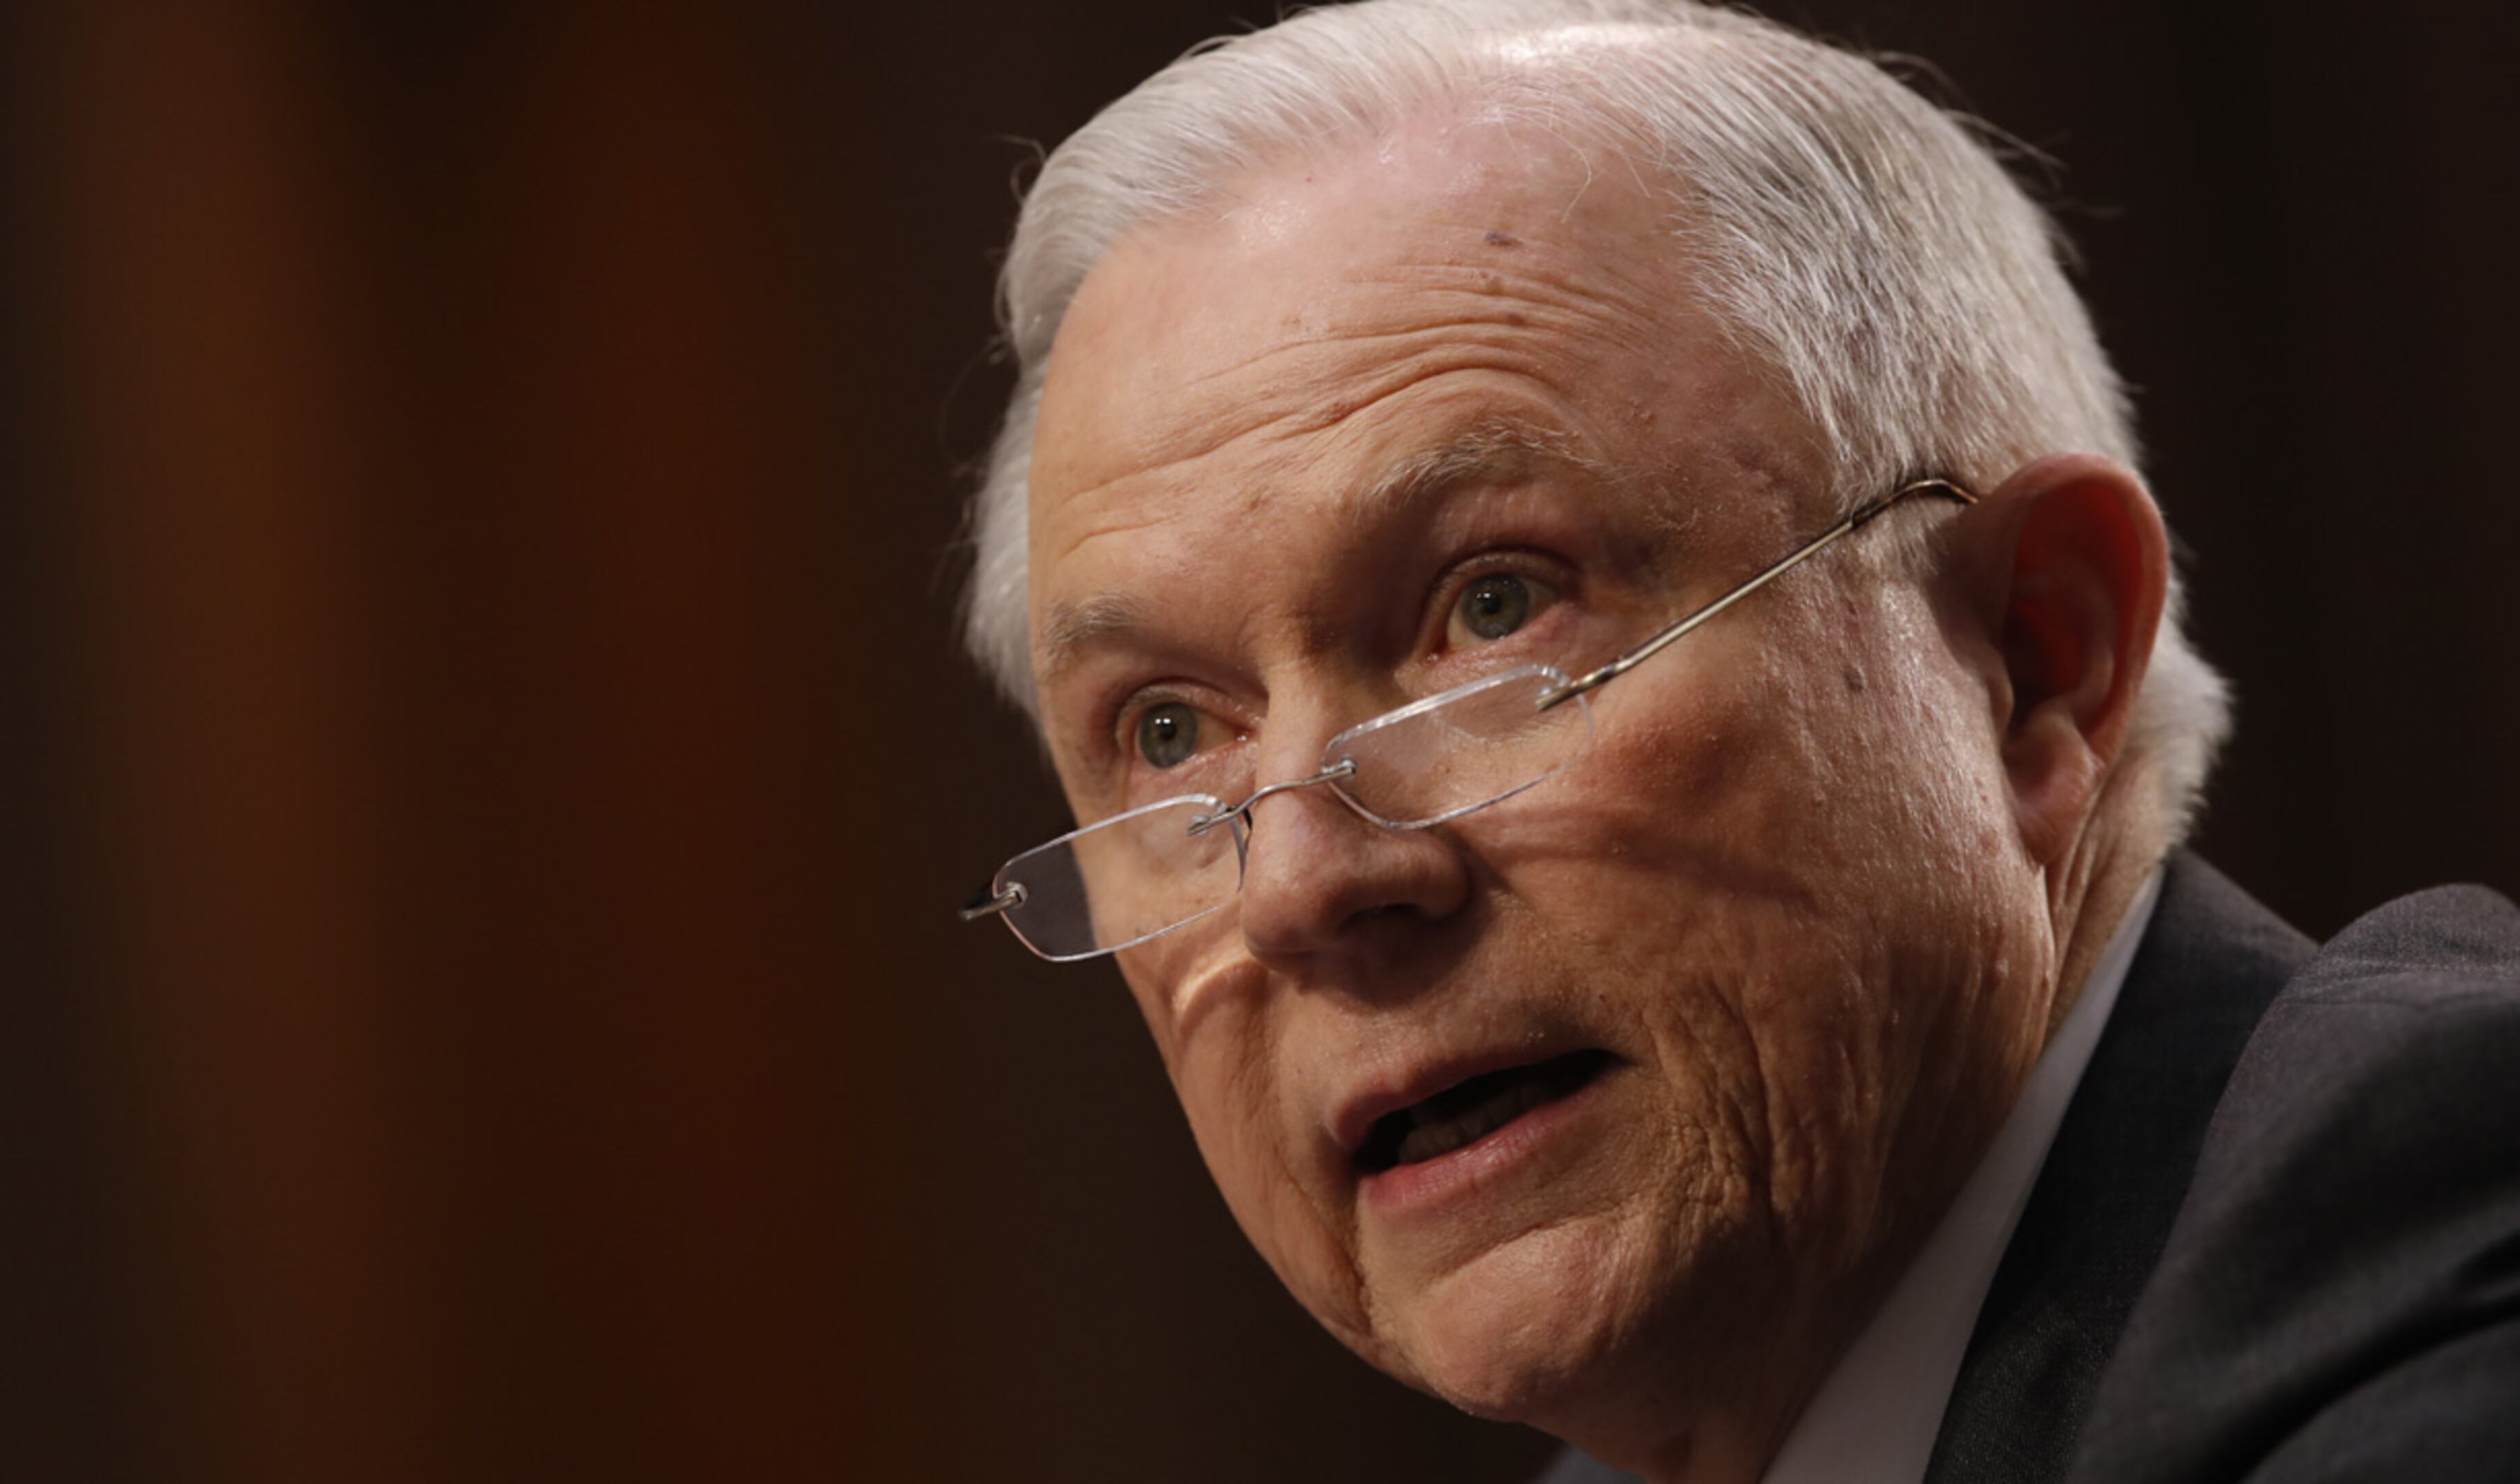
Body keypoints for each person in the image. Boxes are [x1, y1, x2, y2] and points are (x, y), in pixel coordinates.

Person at [949, 2, 2520, 1480]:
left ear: (2034, 654)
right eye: (1168, 731)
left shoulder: (2429, 1237)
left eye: (1496, 606)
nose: (1302, 882)